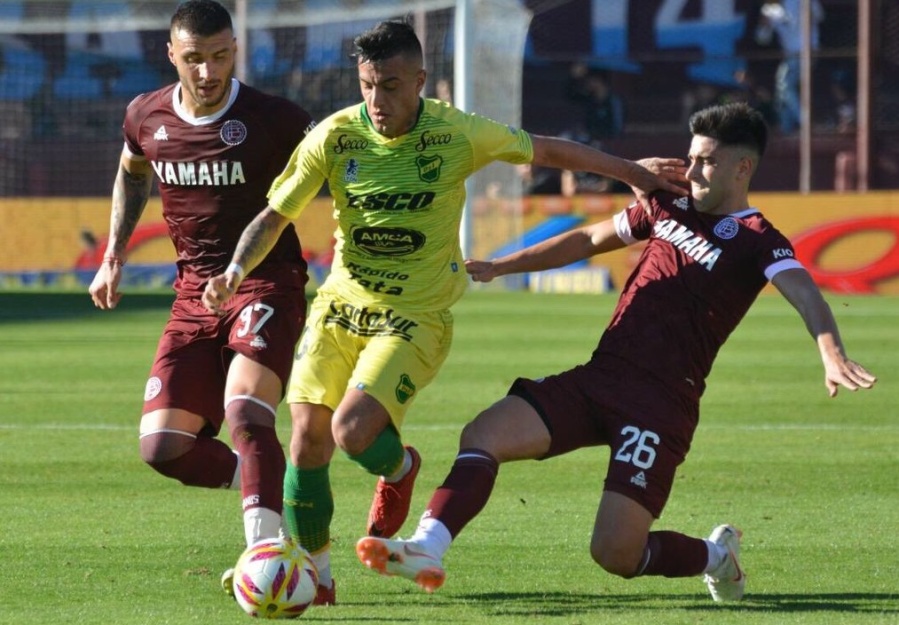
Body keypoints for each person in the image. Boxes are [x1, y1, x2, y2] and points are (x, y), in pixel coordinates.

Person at [201, 18, 686, 604]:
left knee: (351, 430)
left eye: (392, 86)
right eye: (367, 85)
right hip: (340, 305)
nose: (377, 100)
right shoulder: (334, 137)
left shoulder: (457, 133)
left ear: (421, 81)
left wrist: (635, 174)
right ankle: (318, 579)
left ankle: (400, 468)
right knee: (305, 438)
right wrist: (234, 270)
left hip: (417, 314)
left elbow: (549, 148)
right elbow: (275, 213)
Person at [354, 102, 877, 601]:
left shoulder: (759, 239)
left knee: (615, 552)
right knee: (484, 433)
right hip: (600, 379)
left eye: (706, 161)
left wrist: (830, 351)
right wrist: (501, 266)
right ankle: (428, 547)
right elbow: (587, 241)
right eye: (690, 157)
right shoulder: (667, 205)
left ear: (743, 167)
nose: (691, 170)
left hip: (660, 405)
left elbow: (805, 292)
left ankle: (717, 556)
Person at [85, 0, 322, 601]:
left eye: (220, 56)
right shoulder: (146, 114)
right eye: (195, 59)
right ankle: (271, 490)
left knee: (246, 413)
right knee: (163, 448)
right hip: (192, 295)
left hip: (267, 284)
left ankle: (268, 550)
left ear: (235, 50)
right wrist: (113, 253)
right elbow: (133, 170)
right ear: (172, 56)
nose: (209, 72)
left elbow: (337, 175)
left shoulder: (276, 118)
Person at [756, 0, 825, 134]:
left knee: (784, 84)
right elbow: (762, 39)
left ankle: (805, 122)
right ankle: (786, 127)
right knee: (783, 90)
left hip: (808, 51)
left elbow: (820, 16)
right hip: (790, 56)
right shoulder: (768, 9)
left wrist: (806, 14)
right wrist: (764, 25)